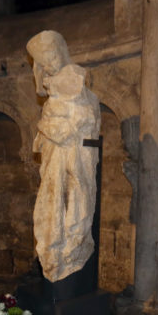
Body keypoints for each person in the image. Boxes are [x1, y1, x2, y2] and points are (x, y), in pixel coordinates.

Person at [26, 30, 101, 282]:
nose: (50, 66)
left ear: (61, 52)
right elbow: (52, 129)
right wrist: (50, 126)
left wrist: (51, 127)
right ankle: (53, 252)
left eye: (52, 57)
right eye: (44, 63)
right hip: (54, 160)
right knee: (50, 206)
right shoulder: (51, 99)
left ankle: (73, 249)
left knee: (77, 203)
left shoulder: (80, 87)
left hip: (77, 158)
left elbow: (78, 123)